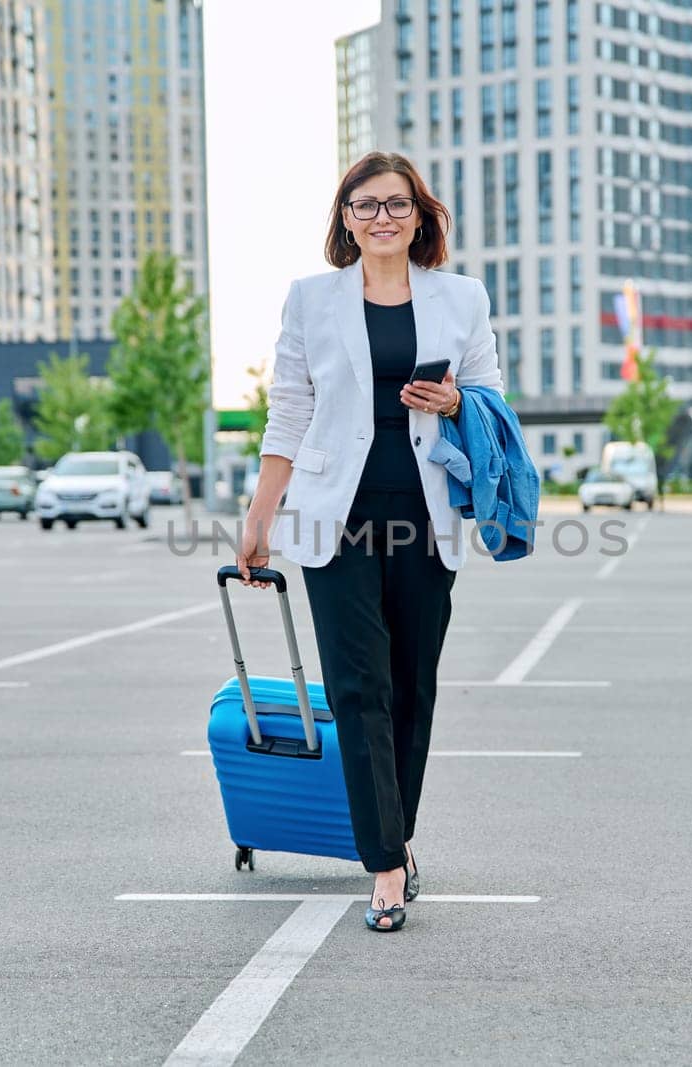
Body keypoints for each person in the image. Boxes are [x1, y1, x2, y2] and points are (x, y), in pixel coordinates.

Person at [235, 152, 504, 932]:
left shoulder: (462, 298)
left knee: (411, 687)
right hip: (334, 513)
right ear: (344, 220)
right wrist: (260, 518)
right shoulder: (312, 300)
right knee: (358, 691)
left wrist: (456, 397)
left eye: (395, 204)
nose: (381, 217)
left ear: (420, 216)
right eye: (364, 205)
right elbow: (287, 410)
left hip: (426, 511)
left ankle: (399, 836)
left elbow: (489, 394)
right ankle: (385, 865)